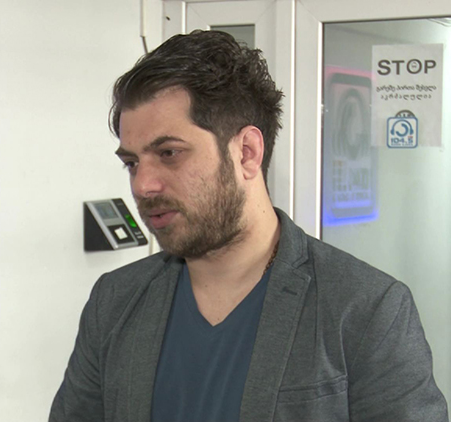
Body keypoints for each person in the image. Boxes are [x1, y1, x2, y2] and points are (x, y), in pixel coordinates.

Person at [49, 30, 448, 422]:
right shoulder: (115, 301)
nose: (142, 185)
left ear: (247, 153)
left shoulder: (364, 308)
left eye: (169, 153)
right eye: (132, 163)